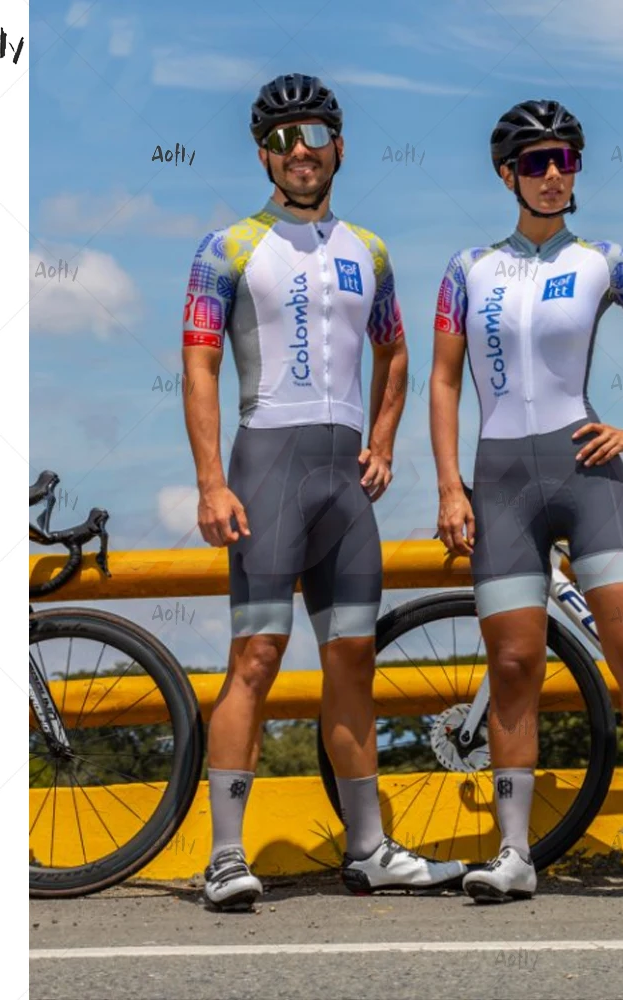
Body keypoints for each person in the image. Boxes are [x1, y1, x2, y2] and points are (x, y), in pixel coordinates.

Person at [429, 99, 623, 902]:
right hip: (501, 481)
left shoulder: (607, 260)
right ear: (507, 175)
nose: (551, 174)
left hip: (587, 471)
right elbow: (443, 380)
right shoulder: (467, 268)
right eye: (534, 162)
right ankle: (513, 855)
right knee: (513, 666)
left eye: (564, 159)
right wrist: (449, 485)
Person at [182, 73, 466, 909]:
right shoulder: (226, 247)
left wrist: (383, 441)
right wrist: (210, 482)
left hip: (345, 488)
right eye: (280, 139)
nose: (298, 151)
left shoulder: (369, 249)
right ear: (262, 155)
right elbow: (198, 365)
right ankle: (225, 857)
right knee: (256, 659)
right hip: (264, 473)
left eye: (312, 135)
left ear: (339, 146)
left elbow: (396, 351)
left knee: (354, 661)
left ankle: (369, 848)